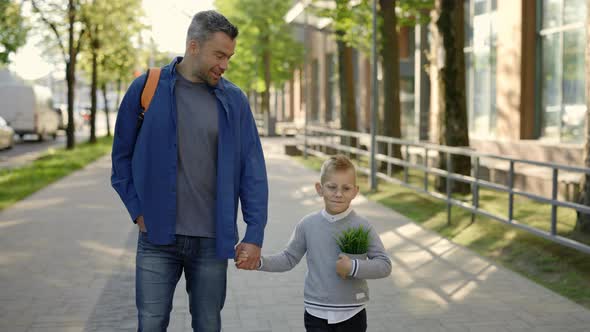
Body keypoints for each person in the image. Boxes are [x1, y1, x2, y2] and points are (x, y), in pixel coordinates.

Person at [111, 10, 268, 332]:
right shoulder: (147, 88)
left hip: (212, 240)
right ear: (194, 46)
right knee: (151, 324)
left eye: (230, 57)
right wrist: (137, 210)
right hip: (156, 238)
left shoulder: (234, 100)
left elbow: (252, 170)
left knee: (208, 325)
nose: (225, 65)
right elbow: (121, 159)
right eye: (219, 55)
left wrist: (254, 234)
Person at [237, 155, 391, 332]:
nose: (338, 194)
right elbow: (288, 259)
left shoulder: (363, 226)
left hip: (352, 313)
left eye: (346, 188)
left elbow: (384, 265)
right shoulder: (307, 224)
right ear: (320, 188)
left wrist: (353, 267)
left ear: (355, 192)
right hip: (315, 313)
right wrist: (258, 262)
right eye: (332, 187)